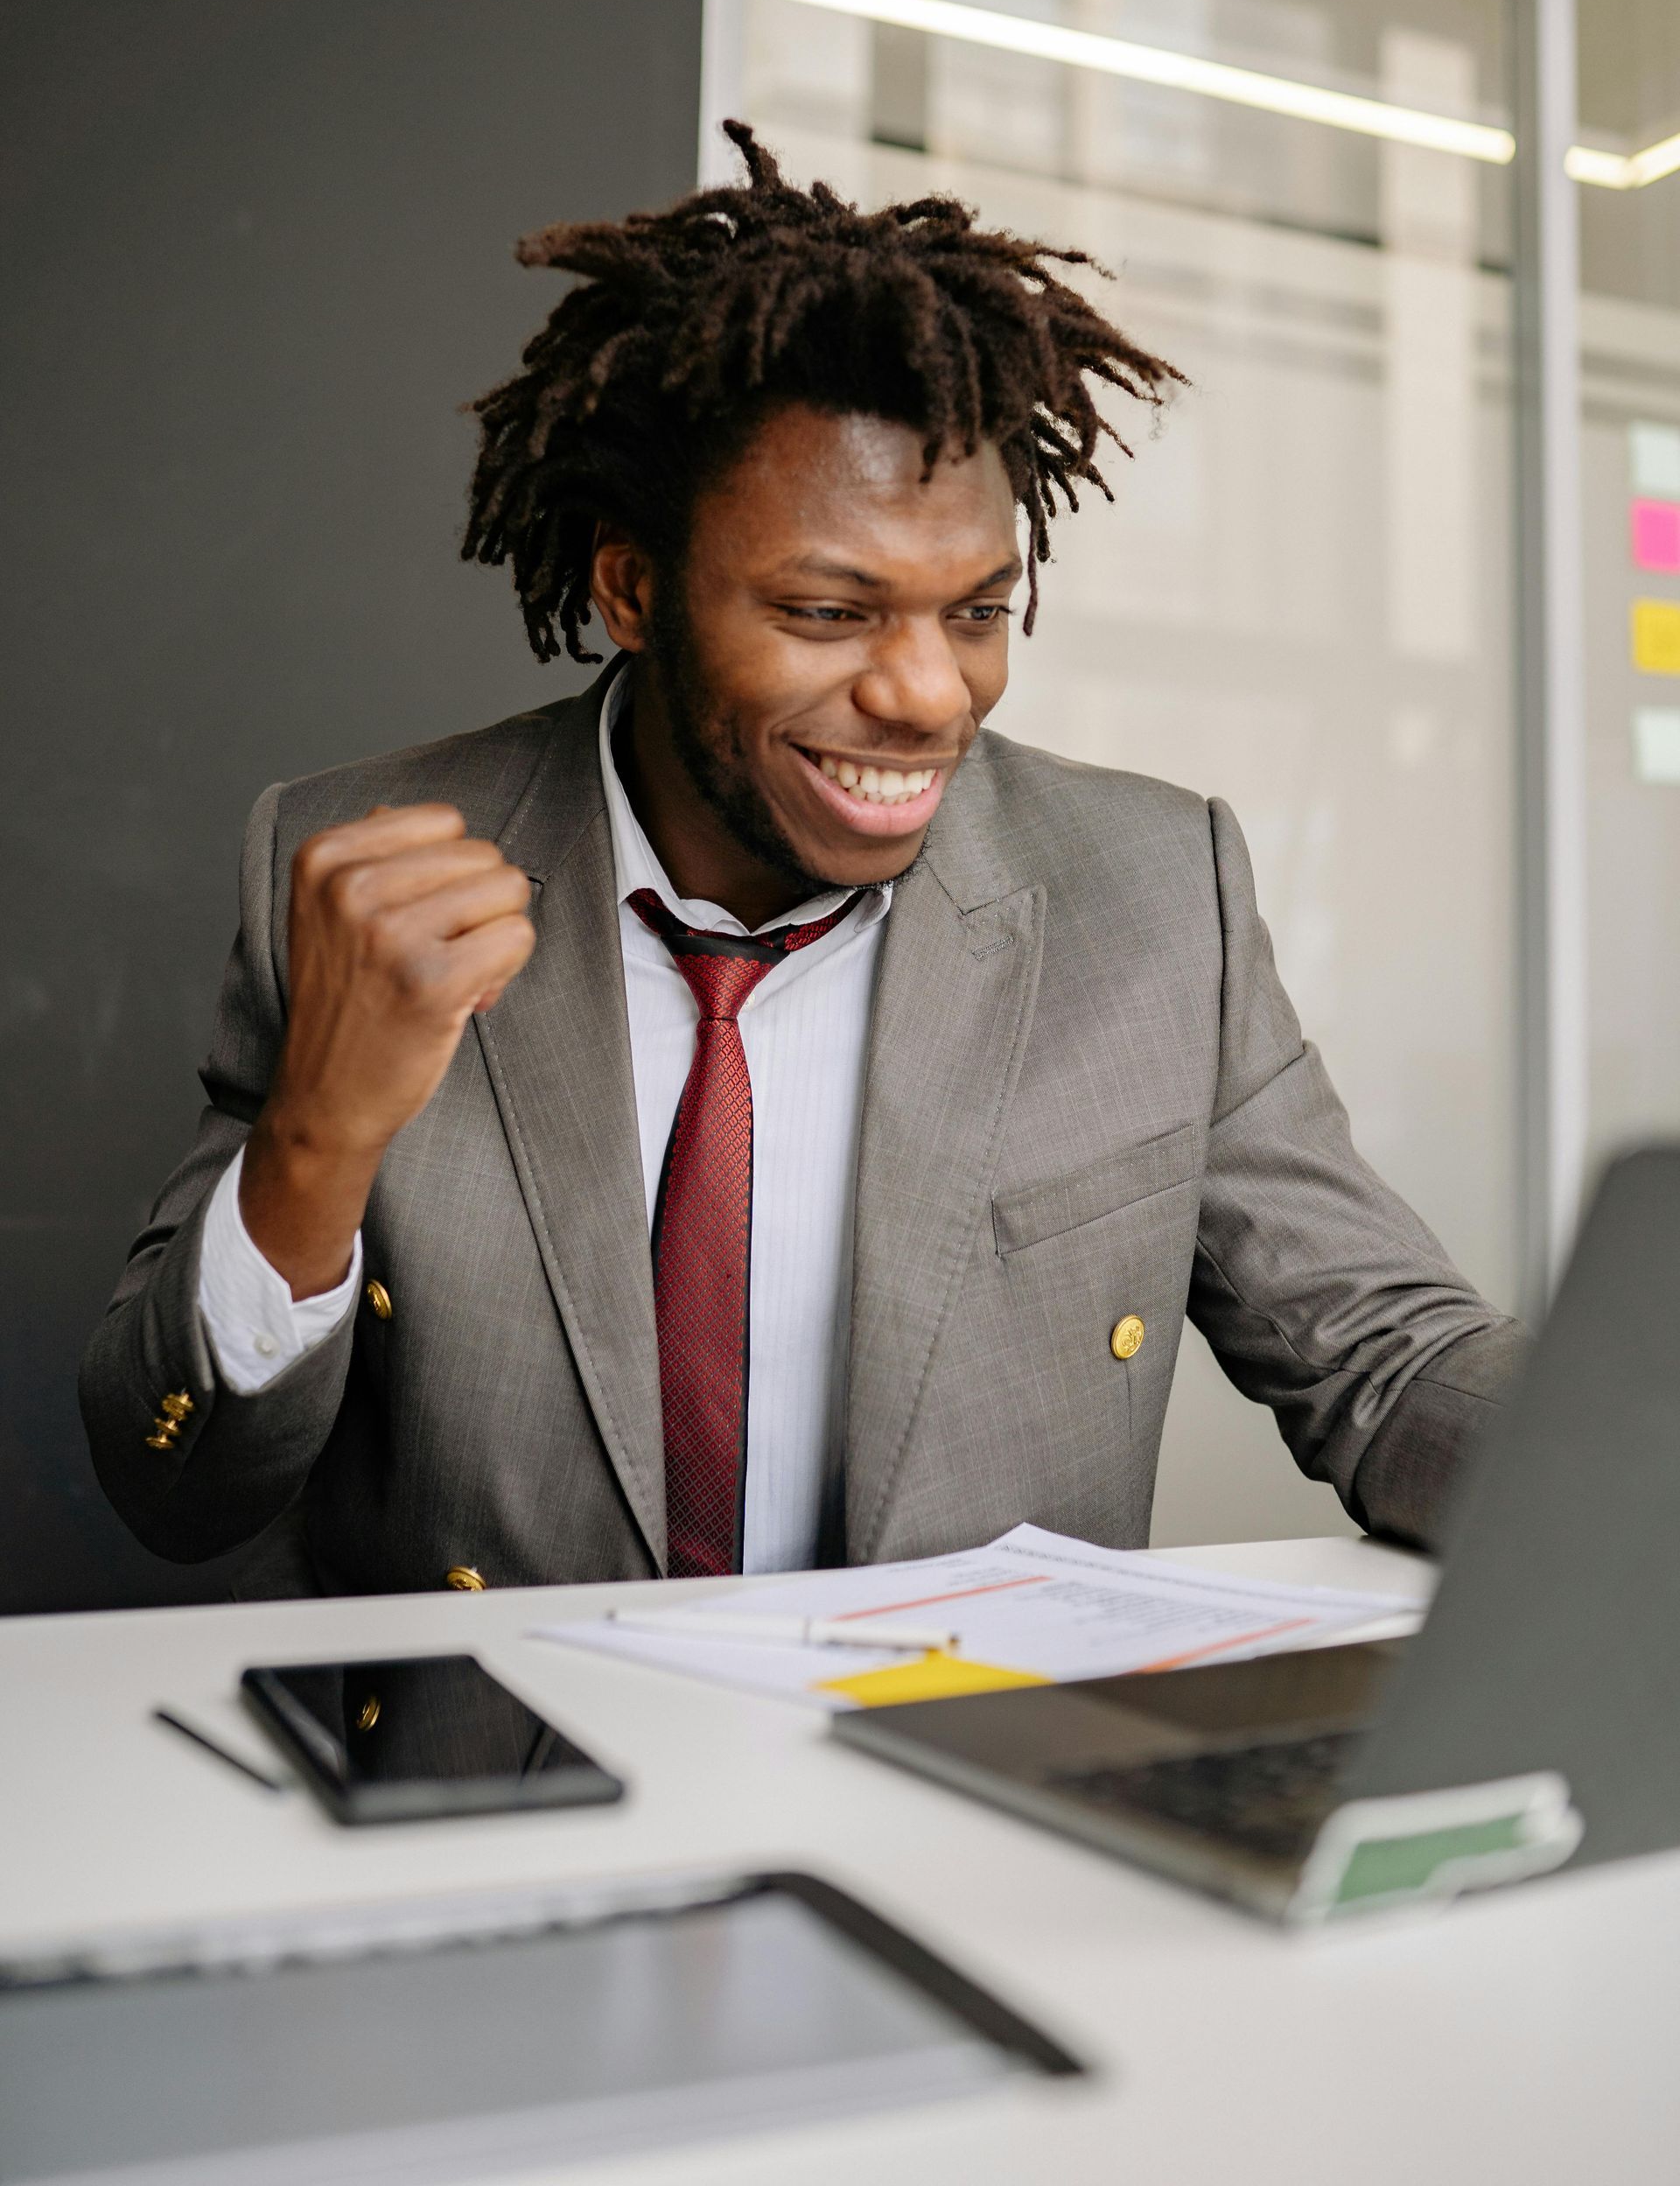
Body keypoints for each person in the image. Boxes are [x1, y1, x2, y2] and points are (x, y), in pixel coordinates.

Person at [80, 124, 1522, 1601]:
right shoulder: (349, 871)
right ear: (633, 587)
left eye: (975, 612)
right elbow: (169, 1486)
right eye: (833, 613)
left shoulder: (1154, 895)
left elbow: (1389, 1358)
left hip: (964, 1781)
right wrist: (316, 1140)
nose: (929, 693)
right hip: (498, 1803)